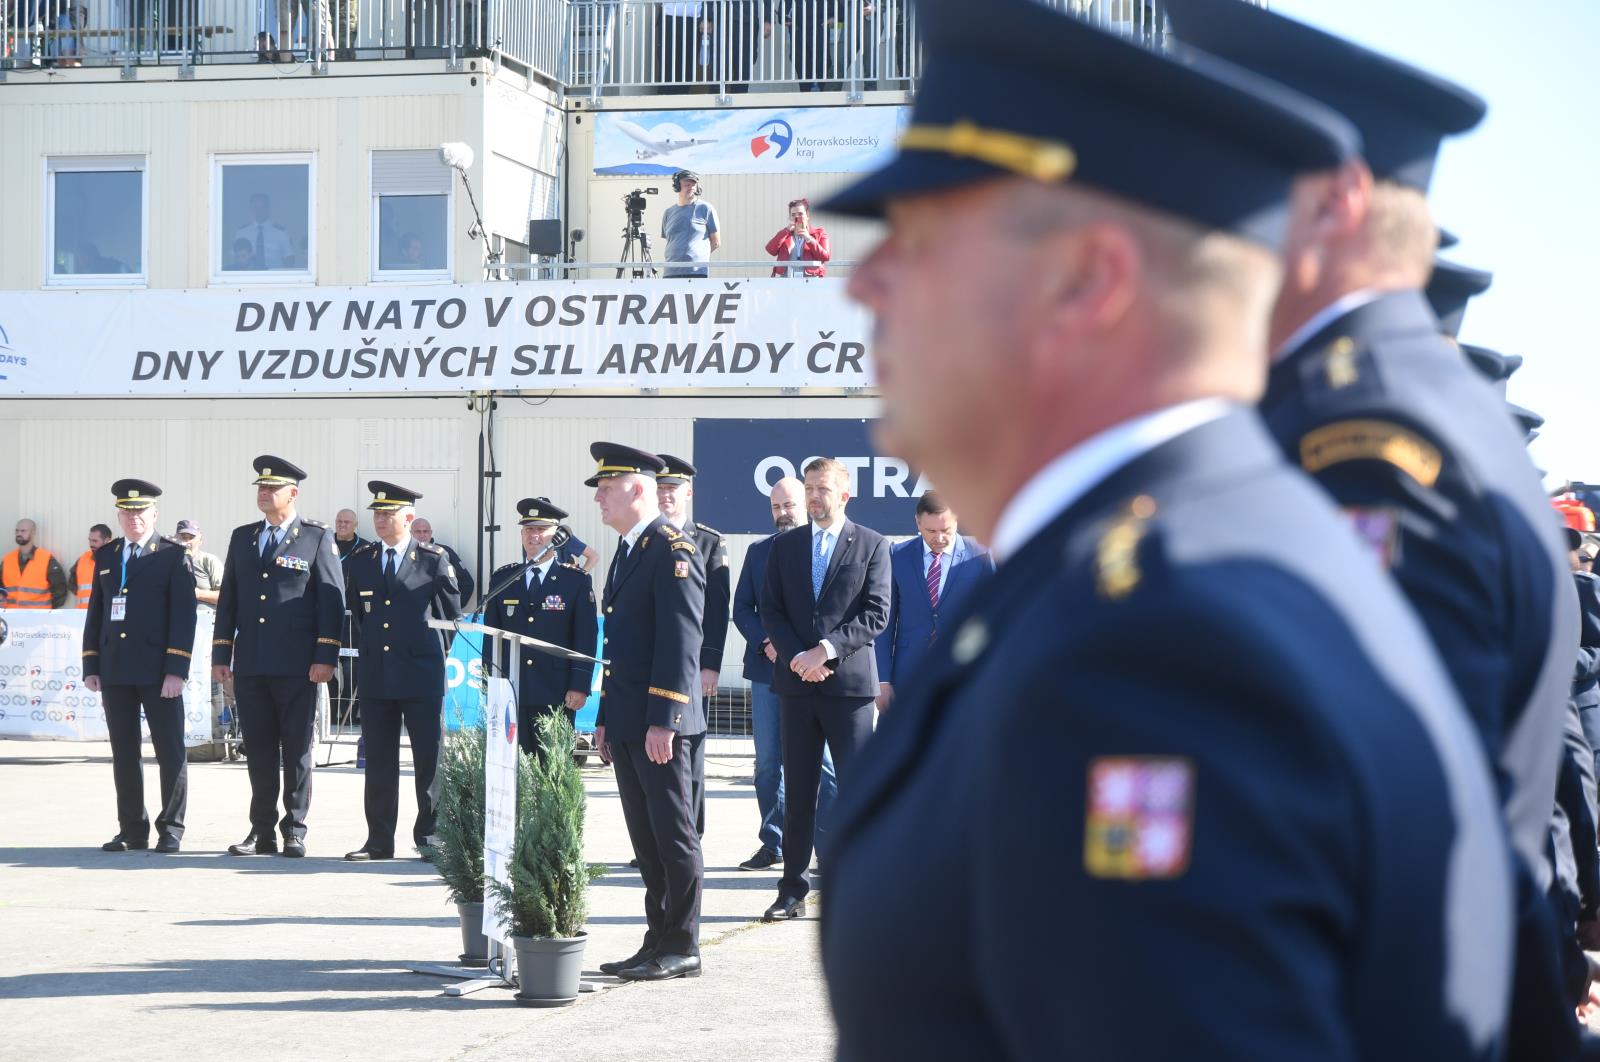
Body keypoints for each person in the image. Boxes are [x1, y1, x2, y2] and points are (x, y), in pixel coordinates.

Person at [815, 0, 1513, 1055]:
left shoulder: (1151, 650)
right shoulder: (1176, 567)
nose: (862, 278)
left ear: (1086, 281)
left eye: (916, 236)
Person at [1164, 0, 1579, 1051]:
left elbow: (1393, 811)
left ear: (1336, 202)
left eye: (1220, 171)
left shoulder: (1362, 443)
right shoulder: (1393, 401)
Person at [588, 443, 706, 983]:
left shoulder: (672, 549)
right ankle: (657, 938)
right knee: (646, 839)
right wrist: (605, 718)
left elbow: (680, 642)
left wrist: (665, 720)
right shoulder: (629, 548)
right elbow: (620, 648)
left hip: (661, 725)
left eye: (606, 489)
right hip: (630, 720)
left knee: (673, 836)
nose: (598, 499)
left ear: (638, 489)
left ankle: (683, 944)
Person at [758, 457, 890, 923]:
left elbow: (876, 613)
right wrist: (799, 657)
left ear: (844, 495)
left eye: (823, 489)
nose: (814, 496)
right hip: (797, 687)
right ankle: (792, 890)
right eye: (809, 488)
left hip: (849, 689)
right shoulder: (785, 546)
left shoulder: (872, 544)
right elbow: (771, 609)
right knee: (798, 792)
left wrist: (825, 652)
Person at [212, 456, 345, 858]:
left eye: (273, 488)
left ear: (293, 494)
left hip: (297, 665)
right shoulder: (243, 537)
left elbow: (331, 603)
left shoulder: (316, 537)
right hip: (252, 663)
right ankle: (262, 830)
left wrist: (325, 656)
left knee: (298, 750)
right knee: (259, 750)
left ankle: (295, 828)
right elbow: (229, 599)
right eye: (261, 487)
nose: (265, 493)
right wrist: (222, 654)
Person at [341, 482, 461, 860]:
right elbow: (360, 616)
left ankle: (431, 836)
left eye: (388, 513)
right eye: (377, 513)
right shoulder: (362, 560)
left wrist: (426, 654)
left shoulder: (432, 559)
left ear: (408, 517)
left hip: (420, 674)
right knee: (378, 760)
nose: (380, 519)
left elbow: (449, 619)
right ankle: (379, 839)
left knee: (429, 759)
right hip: (377, 674)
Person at [82, 480, 197, 854]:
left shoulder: (172, 555)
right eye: (127, 511)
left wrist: (176, 670)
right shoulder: (108, 555)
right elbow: (97, 611)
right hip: (116, 668)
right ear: (119, 515)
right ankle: (132, 828)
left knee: (170, 751)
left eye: (140, 511)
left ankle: (171, 828)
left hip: (158, 671)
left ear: (154, 514)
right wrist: (91, 663)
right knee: (124, 752)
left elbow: (184, 617)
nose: (134, 517)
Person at [730, 475, 837, 872]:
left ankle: (827, 847)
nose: (783, 513)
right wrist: (767, 642)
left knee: (823, 764)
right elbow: (743, 609)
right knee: (767, 763)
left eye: (789, 505)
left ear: (806, 503)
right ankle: (772, 842)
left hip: (816, 672)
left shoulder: (825, 548)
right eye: (776, 507)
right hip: (768, 670)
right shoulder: (759, 552)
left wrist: (812, 654)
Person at [480, 497, 598, 753]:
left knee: (553, 765)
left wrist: (579, 685)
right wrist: (490, 684)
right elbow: (491, 637)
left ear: (557, 536)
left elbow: (586, 636)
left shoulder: (574, 581)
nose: (534, 536)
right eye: (528, 529)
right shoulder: (503, 579)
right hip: (512, 691)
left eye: (541, 529)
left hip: (557, 691)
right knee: (513, 764)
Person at [655, 454, 729, 837]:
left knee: (690, 753)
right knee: (653, 757)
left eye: (673, 488)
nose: (665, 495)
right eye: (660, 488)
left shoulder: (708, 541)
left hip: (692, 667)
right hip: (653, 665)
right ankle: (657, 839)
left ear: (689, 493)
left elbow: (717, 609)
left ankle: (690, 836)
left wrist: (710, 664)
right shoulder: (646, 539)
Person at [873, 491, 991, 711]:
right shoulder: (897, 555)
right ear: (918, 522)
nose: (939, 538)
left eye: (946, 530)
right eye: (931, 531)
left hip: (962, 673)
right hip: (907, 675)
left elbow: (992, 617)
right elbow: (885, 622)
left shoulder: (981, 556)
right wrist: (882, 681)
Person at [177, 518, 231, 762]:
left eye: (190, 537)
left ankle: (214, 744)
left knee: (211, 689)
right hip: (180, 636)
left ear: (201, 539)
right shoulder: (171, 561)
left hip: (207, 634)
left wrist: (197, 593)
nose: (186, 541)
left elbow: (226, 595)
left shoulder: (209, 561)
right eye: (182, 537)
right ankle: (184, 743)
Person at [661, 170, 720, 279]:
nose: (691, 187)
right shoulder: (668, 213)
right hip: (670, 272)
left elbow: (716, 242)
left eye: (693, 184)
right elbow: (671, 241)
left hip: (697, 272)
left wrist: (698, 259)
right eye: (687, 184)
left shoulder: (706, 208)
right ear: (677, 186)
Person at [2, 518, 70, 609]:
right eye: (17, 531)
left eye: (23, 531)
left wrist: (47, 612)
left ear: (33, 532)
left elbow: (60, 590)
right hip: (11, 615)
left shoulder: (46, 559)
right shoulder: (7, 559)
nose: (19, 534)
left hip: (38, 617)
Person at [411, 518, 475, 610]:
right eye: (418, 531)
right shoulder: (403, 554)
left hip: (437, 614)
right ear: (411, 533)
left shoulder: (445, 552)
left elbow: (467, 583)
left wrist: (453, 608)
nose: (422, 535)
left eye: (425, 531)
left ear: (431, 533)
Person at [766, 198, 832, 278]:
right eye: (793, 215)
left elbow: (826, 257)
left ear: (807, 216)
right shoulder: (785, 234)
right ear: (790, 217)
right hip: (787, 279)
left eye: (800, 214)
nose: (797, 217)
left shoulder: (819, 233)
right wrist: (786, 231)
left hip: (811, 279)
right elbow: (770, 250)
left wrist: (809, 239)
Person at [232, 194, 294, 271]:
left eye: (262, 207)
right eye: (255, 207)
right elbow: (235, 259)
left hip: (275, 274)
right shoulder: (241, 233)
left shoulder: (281, 232)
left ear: (268, 209)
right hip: (250, 274)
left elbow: (289, 258)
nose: (259, 211)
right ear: (251, 209)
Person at [74, 524, 114, 609]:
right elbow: (72, 582)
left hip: (104, 613)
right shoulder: (83, 559)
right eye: (90, 540)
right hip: (82, 613)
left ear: (107, 540)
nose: (91, 544)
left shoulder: (117, 560)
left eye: (95, 541)